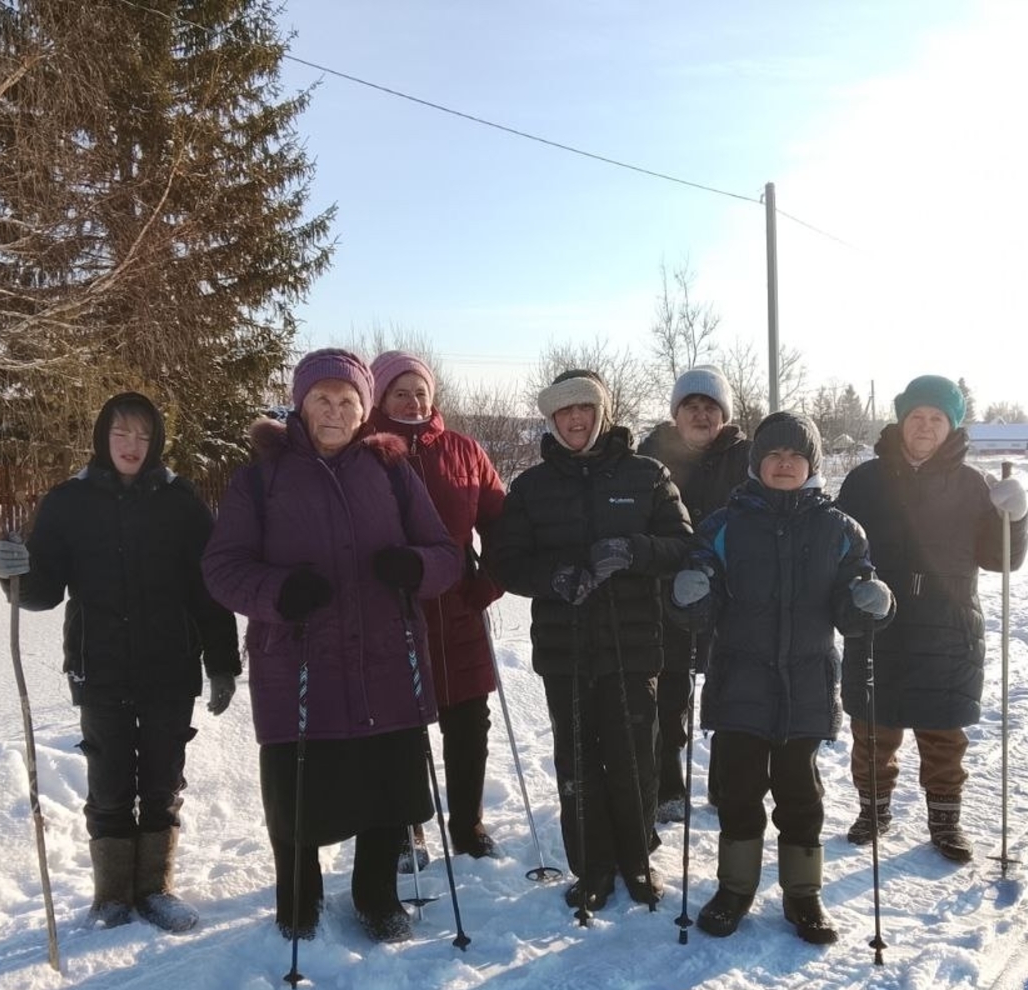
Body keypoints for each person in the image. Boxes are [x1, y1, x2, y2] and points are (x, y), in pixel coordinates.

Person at [201, 349, 462, 943]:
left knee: (385, 787)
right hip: (298, 660)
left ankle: (376, 894)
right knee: (298, 793)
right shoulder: (260, 478)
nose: (335, 411)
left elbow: (446, 556)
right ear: (301, 403)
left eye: (348, 401)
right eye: (323, 399)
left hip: (386, 658)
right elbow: (221, 568)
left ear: (364, 409)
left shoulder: (392, 471)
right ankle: (299, 899)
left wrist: (414, 567)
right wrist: (278, 591)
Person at [0, 391, 239, 934]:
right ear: (104, 436)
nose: (132, 445)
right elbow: (43, 593)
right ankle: (110, 896)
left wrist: (222, 664)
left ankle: (154, 887)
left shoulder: (181, 503)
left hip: (170, 667)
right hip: (97, 667)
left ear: (157, 443)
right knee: (108, 783)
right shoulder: (68, 502)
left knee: (162, 780)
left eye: (144, 437)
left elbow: (209, 592)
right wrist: (13, 575)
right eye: (123, 434)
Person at [669, 412, 892, 943]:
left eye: (795, 455)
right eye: (773, 455)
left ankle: (803, 893)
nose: (784, 463)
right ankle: (735, 887)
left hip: (806, 685)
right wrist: (692, 593)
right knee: (740, 791)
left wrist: (868, 602)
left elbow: (852, 602)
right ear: (757, 464)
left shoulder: (841, 529)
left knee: (800, 795)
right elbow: (702, 596)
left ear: (811, 464)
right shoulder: (723, 525)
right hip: (739, 683)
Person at [486, 369, 691, 912]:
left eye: (585, 409)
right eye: (564, 412)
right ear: (552, 420)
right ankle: (592, 866)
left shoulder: (647, 474)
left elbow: (682, 546)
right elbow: (504, 562)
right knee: (578, 761)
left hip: (633, 646)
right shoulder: (531, 488)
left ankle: (637, 858)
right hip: (566, 648)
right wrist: (554, 577)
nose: (576, 420)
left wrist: (632, 550)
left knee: (634, 760)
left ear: (602, 413)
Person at [835, 374, 1028, 863]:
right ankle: (872, 811)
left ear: (952, 426)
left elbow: (1000, 559)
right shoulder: (865, 480)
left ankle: (945, 823)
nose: (924, 426)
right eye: (916, 417)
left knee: (943, 736)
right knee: (872, 731)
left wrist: (1016, 517)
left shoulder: (973, 486)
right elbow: (835, 547)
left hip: (948, 630)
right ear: (902, 421)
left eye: (936, 418)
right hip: (879, 624)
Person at [368, 350, 507, 864]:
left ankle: (468, 825)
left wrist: (488, 581)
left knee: (469, 727)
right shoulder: (365, 452)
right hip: (392, 617)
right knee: (402, 732)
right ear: (381, 397)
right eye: (400, 392)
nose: (412, 400)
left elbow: (502, 523)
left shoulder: (465, 451)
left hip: (460, 612)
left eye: (420, 391)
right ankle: (409, 829)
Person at [636, 365, 751, 823]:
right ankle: (667, 782)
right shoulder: (649, 457)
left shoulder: (748, 457)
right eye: (691, 406)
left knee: (732, 689)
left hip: (734, 592)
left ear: (723, 415)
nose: (701, 415)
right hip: (666, 591)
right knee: (669, 691)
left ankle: (726, 783)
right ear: (676, 413)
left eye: (710, 407)